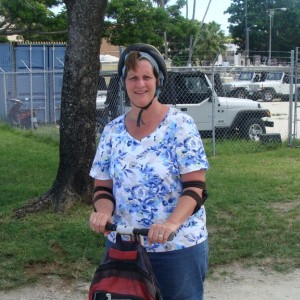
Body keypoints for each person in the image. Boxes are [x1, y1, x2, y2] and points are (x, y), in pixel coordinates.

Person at [89, 43, 210, 300]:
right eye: (133, 77)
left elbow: (196, 187)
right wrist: (102, 213)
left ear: (158, 80)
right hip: (124, 245)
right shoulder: (112, 131)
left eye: (147, 77)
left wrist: (171, 224)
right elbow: (102, 188)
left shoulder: (180, 125)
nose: (140, 84)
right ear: (124, 82)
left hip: (176, 248)